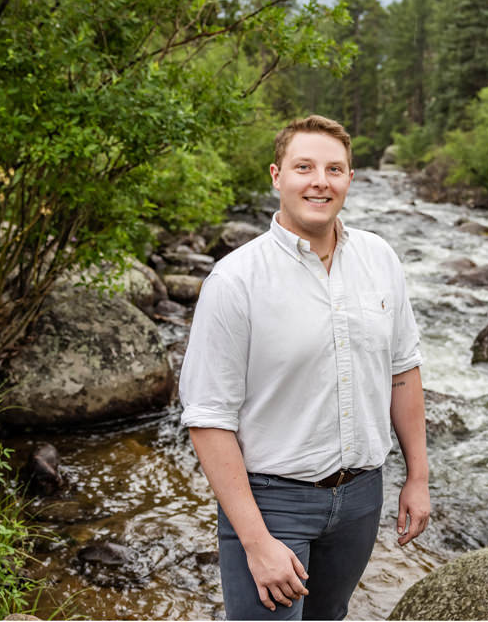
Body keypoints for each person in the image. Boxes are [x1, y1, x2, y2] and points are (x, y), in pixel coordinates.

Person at [179, 114, 430, 620]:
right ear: (277, 176)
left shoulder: (380, 258)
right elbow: (208, 419)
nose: (320, 181)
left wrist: (417, 478)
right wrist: (256, 540)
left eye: (334, 169)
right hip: (272, 504)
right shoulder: (235, 281)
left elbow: (403, 372)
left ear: (350, 180)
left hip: (362, 498)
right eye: (304, 167)